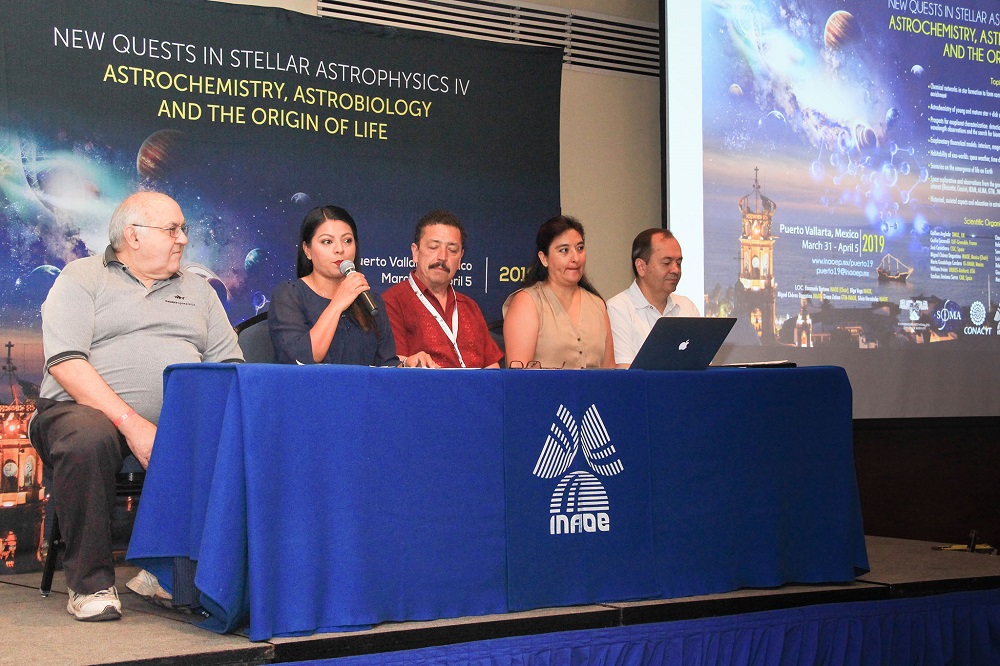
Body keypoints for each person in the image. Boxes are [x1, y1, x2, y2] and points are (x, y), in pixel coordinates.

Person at [31, 192, 244, 621]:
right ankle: (90, 585)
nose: (183, 239)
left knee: (237, 430)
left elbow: (230, 367)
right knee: (88, 436)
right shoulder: (82, 276)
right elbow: (67, 363)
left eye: (184, 229)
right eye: (172, 229)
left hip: (177, 422)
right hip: (78, 411)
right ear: (133, 235)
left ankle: (177, 577)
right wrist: (131, 423)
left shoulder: (199, 291)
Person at [269, 206, 398, 366]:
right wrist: (337, 304)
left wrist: (408, 364)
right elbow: (300, 358)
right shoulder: (289, 295)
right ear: (307, 250)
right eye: (327, 242)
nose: (340, 249)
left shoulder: (370, 301)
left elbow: (387, 365)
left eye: (347, 240)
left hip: (363, 384)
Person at [383, 210, 503, 368]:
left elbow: (492, 368)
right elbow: (394, 367)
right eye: (434, 247)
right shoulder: (393, 302)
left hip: (475, 384)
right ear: (415, 252)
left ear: (460, 259)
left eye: (452, 250)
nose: (442, 257)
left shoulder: (469, 306)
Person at [502, 215, 614, 369]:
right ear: (544, 258)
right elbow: (519, 376)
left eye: (580, 248)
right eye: (564, 250)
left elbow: (610, 370)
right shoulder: (527, 302)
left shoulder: (598, 305)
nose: (575, 258)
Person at [607, 228, 700, 368]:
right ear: (641, 267)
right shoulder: (618, 308)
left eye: (678, 263)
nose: (675, 270)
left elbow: (703, 364)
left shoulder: (687, 306)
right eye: (667, 263)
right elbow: (625, 371)